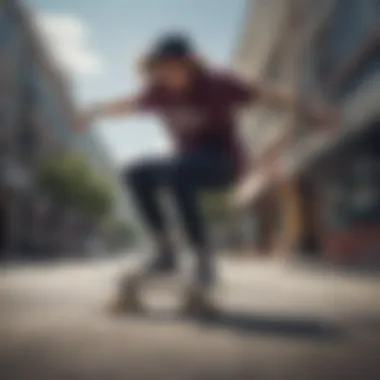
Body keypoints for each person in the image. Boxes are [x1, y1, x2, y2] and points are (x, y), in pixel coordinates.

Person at [78, 33, 334, 316]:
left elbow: (268, 95)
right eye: (162, 70)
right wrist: (94, 111)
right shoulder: (157, 91)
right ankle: (165, 252)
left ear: (191, 65)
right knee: (136, 172)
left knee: (180, 168)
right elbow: (128, 105)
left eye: (176, 68)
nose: (169, 76)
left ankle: (202, 257)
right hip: (186, 166)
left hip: (224, 166)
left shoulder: (218, 84)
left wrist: (310, 112)